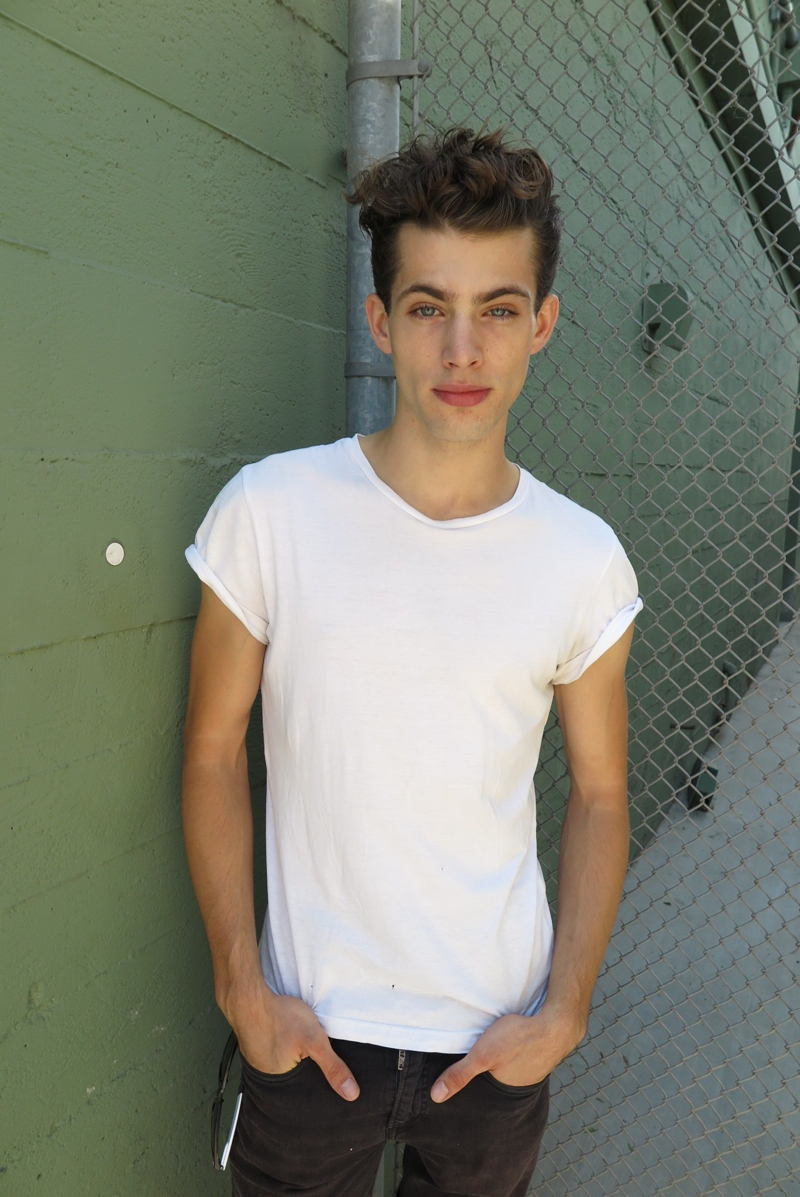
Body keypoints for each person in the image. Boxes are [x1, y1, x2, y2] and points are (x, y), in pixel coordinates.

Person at [182, 126, 643, 1197]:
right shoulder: (270, 513)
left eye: (498, 310)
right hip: (309, 1038)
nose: (462, 350)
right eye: (430, 308)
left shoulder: (581, 560)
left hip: (494, 1044)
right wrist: (241, 987)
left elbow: (601, 795)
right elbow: (210, 751)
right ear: (381, 321)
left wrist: (563, 1011)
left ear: (543, 324)